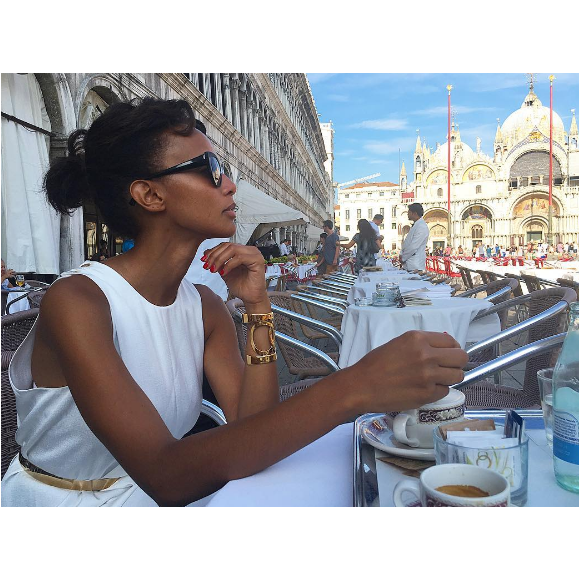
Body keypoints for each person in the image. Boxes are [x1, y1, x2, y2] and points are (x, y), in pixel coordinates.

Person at [0, 98, 468, 508]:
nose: (229, 186)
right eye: (210, 171)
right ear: (149, 194)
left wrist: (259, 308)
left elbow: (254, 427)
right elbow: (165, 474)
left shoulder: (203, 304)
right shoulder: (78, 301)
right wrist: (354, 387)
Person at [401, 204, 430, 272]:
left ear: (414, 213)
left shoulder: (421, 226)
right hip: (410, 263)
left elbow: (413, 246)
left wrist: (403, 258)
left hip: (415, 265)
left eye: (409, 212)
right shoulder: (416, 225)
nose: (407, 214)